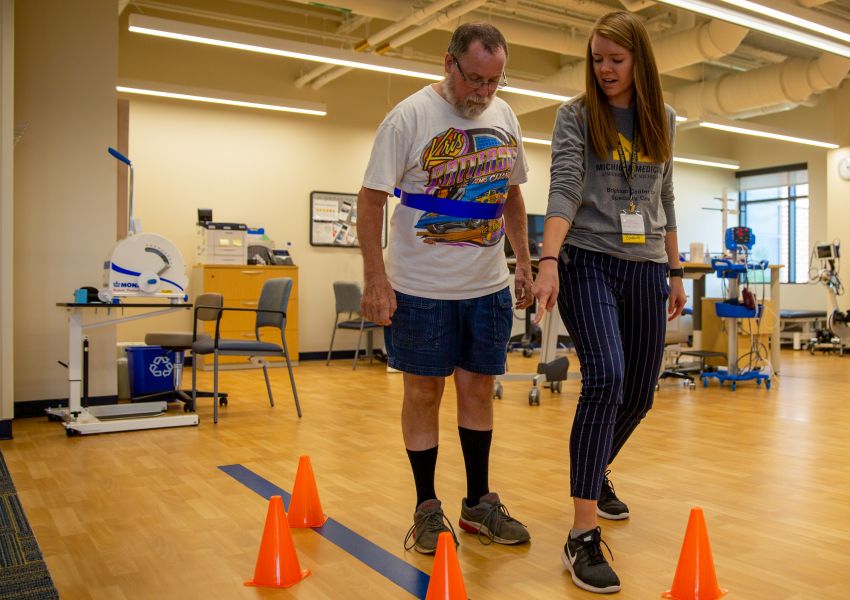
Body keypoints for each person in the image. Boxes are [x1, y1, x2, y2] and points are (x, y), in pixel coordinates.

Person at [356, 22, 533, 555]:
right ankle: (427, 506)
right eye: (475, 79)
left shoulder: (504, 116)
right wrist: (375, 278)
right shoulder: (407, 117)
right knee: (423, 393)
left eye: (495, 81)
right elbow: (369, 202)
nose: (484, 92)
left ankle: (478, 502)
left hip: (486, 286)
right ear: (449, 63)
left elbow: (512, 195)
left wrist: (523, 261)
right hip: (420, 288)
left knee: (478, 390)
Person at [531, 11, 687, 594]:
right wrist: (548, 261)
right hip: (587, 260)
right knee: (607, 378)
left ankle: (594, 472)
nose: (605, 70)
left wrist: (675, 271)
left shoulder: (663, 119)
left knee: (642, 389)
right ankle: (582, 534)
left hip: (646, 265)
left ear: (639, 61)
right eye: (597, 60)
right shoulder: (575, 115)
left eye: (615, 61)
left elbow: (665, 193)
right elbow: (566, 186)